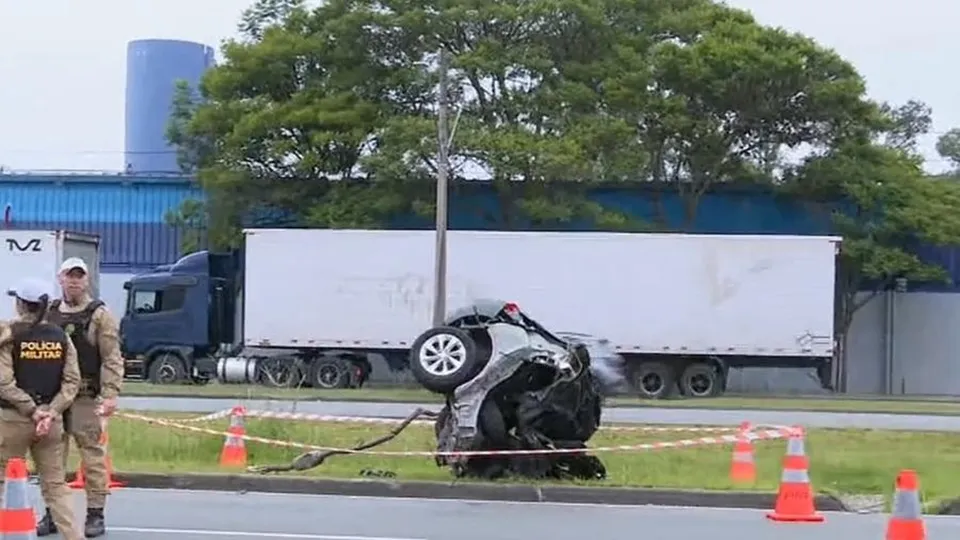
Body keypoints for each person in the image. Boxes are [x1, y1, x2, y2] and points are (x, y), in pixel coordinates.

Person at [35, 257, 124, 538]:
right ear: (60, 278)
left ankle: (96, 514)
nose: (74, 281)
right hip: (55, 397)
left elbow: (111, 358)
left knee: (93, 457)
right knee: (51, 459)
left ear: (87, 280)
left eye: (79, 276)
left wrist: (110, 395)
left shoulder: (100, 315)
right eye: (69, 275)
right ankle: (53, 513)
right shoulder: (47, 314)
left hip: (86, 397)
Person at [0, 278, 83, 540]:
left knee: (2, 480)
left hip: (14, 420)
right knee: (56, 487)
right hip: (50, 423)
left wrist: (31, 410)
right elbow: (72, 381)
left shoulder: (10, 335)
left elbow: (4, 383)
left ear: (21, 305)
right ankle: (74, 536)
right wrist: (51, 411)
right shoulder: (61, 338)